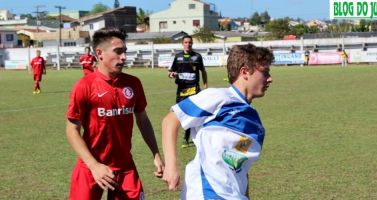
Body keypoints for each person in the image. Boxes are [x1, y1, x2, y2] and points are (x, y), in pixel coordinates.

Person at [162, 43, 274, 199]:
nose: (270, 79)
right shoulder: (218, 97)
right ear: (245, 72)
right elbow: (170, 120)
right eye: (265, 72)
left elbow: (239, 165)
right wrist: (171, 166)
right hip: (206, 192)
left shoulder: (255, 122)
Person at [66, 28, 164, 200]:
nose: (124, 57)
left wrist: (156, 154)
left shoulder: (133, 83)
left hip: (125, 167)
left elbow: (143, 120)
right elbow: (72, 130)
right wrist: (94, 166)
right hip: (90, 167)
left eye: (124, 52)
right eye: (118, 52)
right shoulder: (84, 86)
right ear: (99, 53)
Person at [167, 35, 208, 148]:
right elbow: (170, 72)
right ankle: (178, 135)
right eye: (186, 42)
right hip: (181, 90)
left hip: (194, 89)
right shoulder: (178, 57)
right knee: (179, 114)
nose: (188, 44)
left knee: (193, 114)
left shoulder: (197, 57)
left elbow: (203, 72)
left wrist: (205, 86)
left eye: (190, 42)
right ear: (182, 43)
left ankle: (187, 137)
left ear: (192, 43)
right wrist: (172, 74)